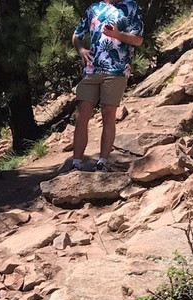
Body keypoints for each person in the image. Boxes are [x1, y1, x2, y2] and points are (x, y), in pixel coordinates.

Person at [67, 0, 145, 173]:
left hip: (117, 70)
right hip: (91, 70)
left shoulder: (131, 7)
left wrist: (118, 35)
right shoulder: (94, 9)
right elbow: (77, 35)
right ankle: (76, 163)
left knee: (108, 115)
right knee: (81, 116)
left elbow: (138, 39)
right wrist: (81, 50)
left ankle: (102, 162)